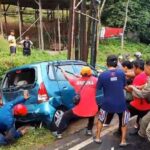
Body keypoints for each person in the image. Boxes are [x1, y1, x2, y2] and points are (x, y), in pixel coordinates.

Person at [95, 55, 130, 147]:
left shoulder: (102, 75)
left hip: (107, 103)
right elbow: (124, 86)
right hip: (121, 103)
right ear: (116, 64)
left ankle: (98, 137)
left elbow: (98, 88)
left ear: (107, 64)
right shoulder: (121, 73)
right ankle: (123, 141)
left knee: (101, 119)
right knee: (124, 121)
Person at [54, 66, 98, 139]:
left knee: (65, 115)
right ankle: (89, 130)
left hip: (80, 110)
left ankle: (59, 133)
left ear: (81, 73)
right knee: (91, 115)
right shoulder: (95, 80)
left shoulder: (76, 81)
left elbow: (67, 77)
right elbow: (91, 79)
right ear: (90, 74)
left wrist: (63, 71)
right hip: (92, 109)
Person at [128, 60, 150, 140]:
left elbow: (140, 95)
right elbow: (147, 85)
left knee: (124, 113)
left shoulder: (139, 77)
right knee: (143, 120)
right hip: (147, 106)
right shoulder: (147, 77)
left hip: (140, 105)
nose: (133, 70)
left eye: (134, 68)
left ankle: (121, 130)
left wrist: (132, 87)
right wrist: (140, 87)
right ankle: (140, 132)